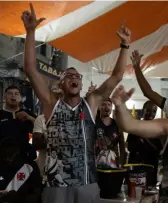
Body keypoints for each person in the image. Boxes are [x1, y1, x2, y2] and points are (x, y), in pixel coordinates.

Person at [21, 3, 131, 203]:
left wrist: (124, 46)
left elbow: (116, 76)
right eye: (68, 75)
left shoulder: (91, 103)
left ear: (80, 84)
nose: (74, 77)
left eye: (77, 76)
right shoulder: (51, 103)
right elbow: (30, 69)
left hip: (86, 182)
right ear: (60, 84)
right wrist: (30, 32)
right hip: (56, 184)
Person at [127, 100, 162, 186]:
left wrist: (144, 140)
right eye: (148, 110)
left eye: (154, 111)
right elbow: (129, 147)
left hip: (151, 169)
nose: (151, 113)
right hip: (136, 169)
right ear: (143, 111)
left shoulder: (158, 129)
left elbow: (159, 150)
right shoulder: (135, 127)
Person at [0, 137, 42, 203]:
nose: (9, 159)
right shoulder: (2, 168)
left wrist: (18, 197)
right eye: (6, 155)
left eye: (12, 154)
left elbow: (37, 195)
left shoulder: (29, 167)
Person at [0, 85, 37, 161]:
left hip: (26, 158)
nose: (13, 96)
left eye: (16, 94)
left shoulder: (28, 114)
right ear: (4, 97)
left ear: (20, 98)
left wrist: (30, 118)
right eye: (10, 93)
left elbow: (42, 128)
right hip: (3, 160)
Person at [95, 98, 125, 167]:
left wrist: (122, 162)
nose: (106, 107)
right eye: (103, 104)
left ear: (111, 108)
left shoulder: (117, 124)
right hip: (97, 163)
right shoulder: (94, 123)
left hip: (113, 163)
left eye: (109, 105)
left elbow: (122, 146)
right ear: (99, 107)